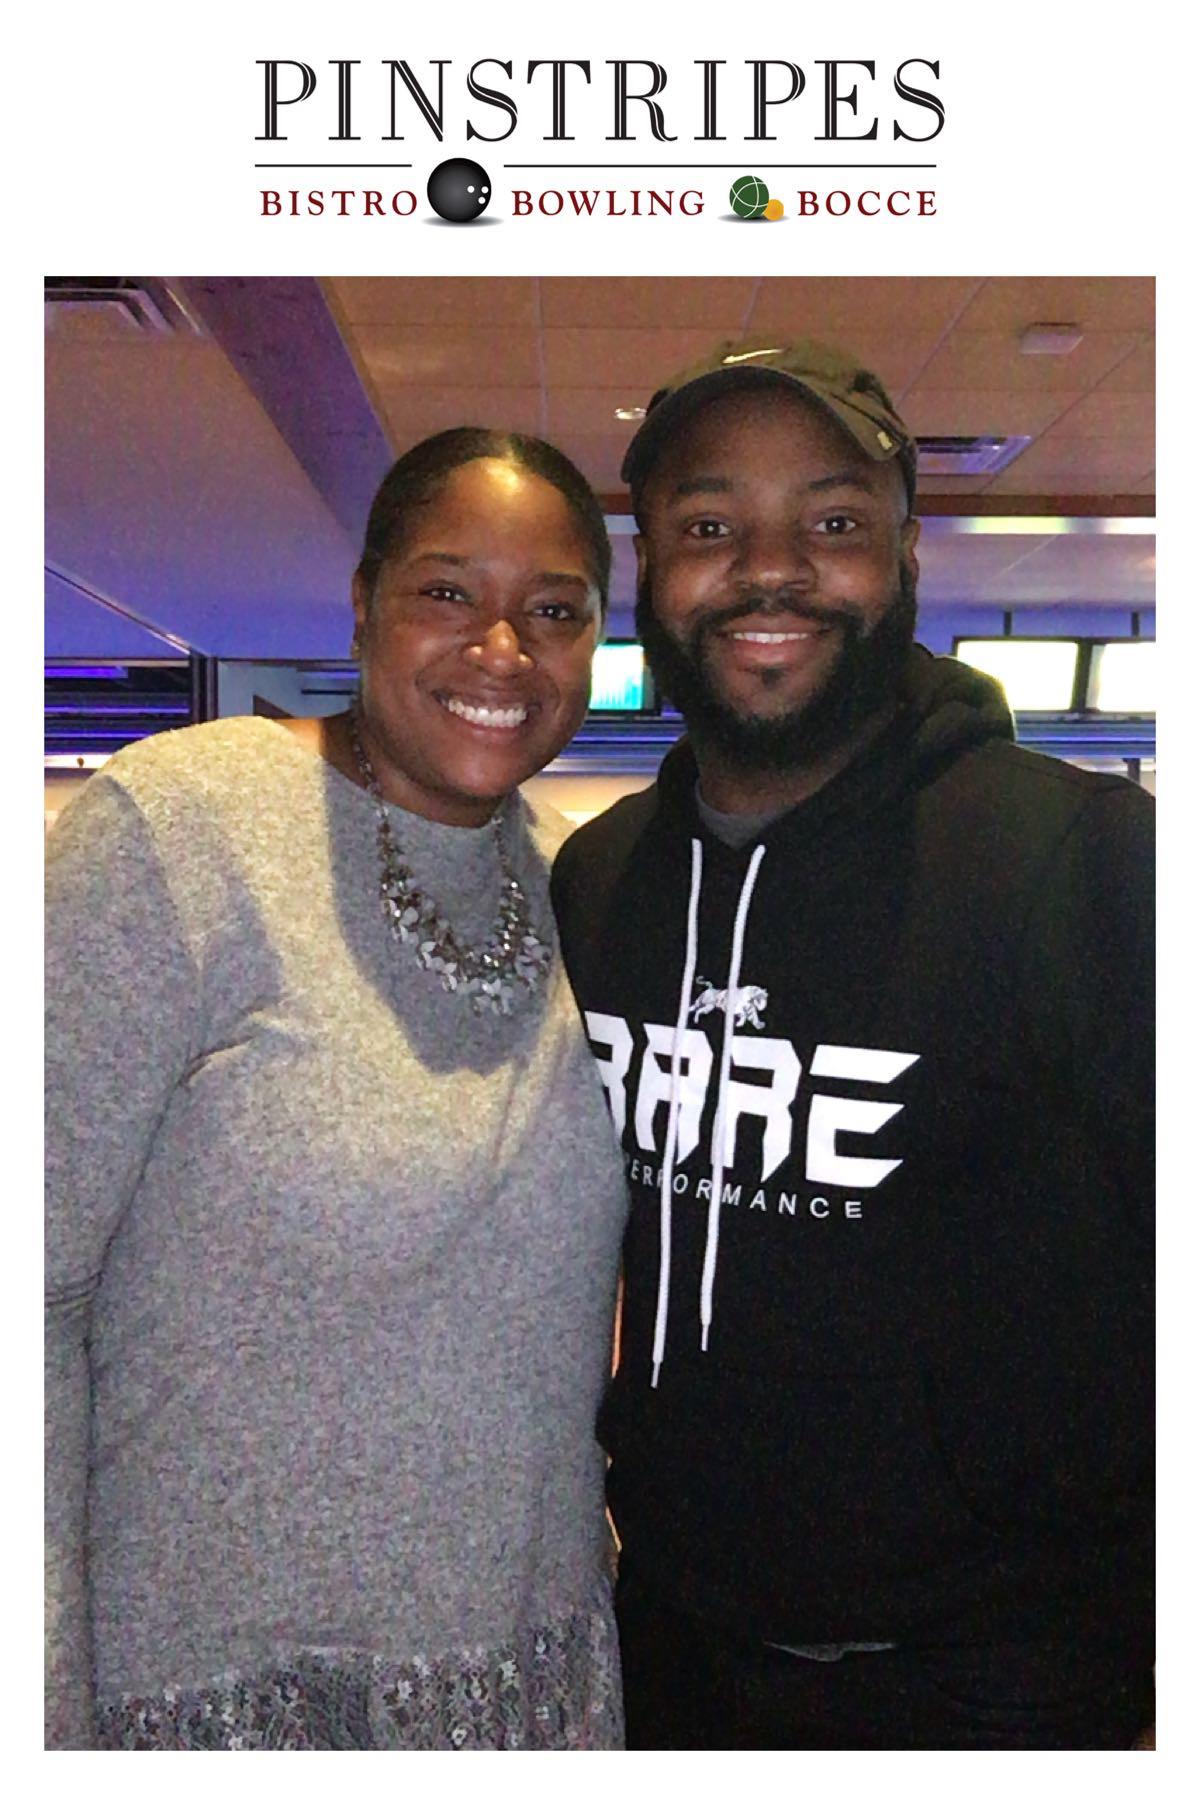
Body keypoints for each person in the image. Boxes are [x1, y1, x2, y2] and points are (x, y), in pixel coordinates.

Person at [551, 340, 1154, 1750]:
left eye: (832, 521)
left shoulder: (1087, 863)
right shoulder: (604, 880)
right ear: (651, 568)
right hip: (672, 1650)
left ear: (905, 555)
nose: (770, 570)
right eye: (710, 524)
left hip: (997, 1687)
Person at [45, 428, 629, 1750]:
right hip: (220, 1695)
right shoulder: (182, 829)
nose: (501, 650)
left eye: (555, 612)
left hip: (529, 1680)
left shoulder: (579, 887)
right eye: (447, 592)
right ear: (362, 603)